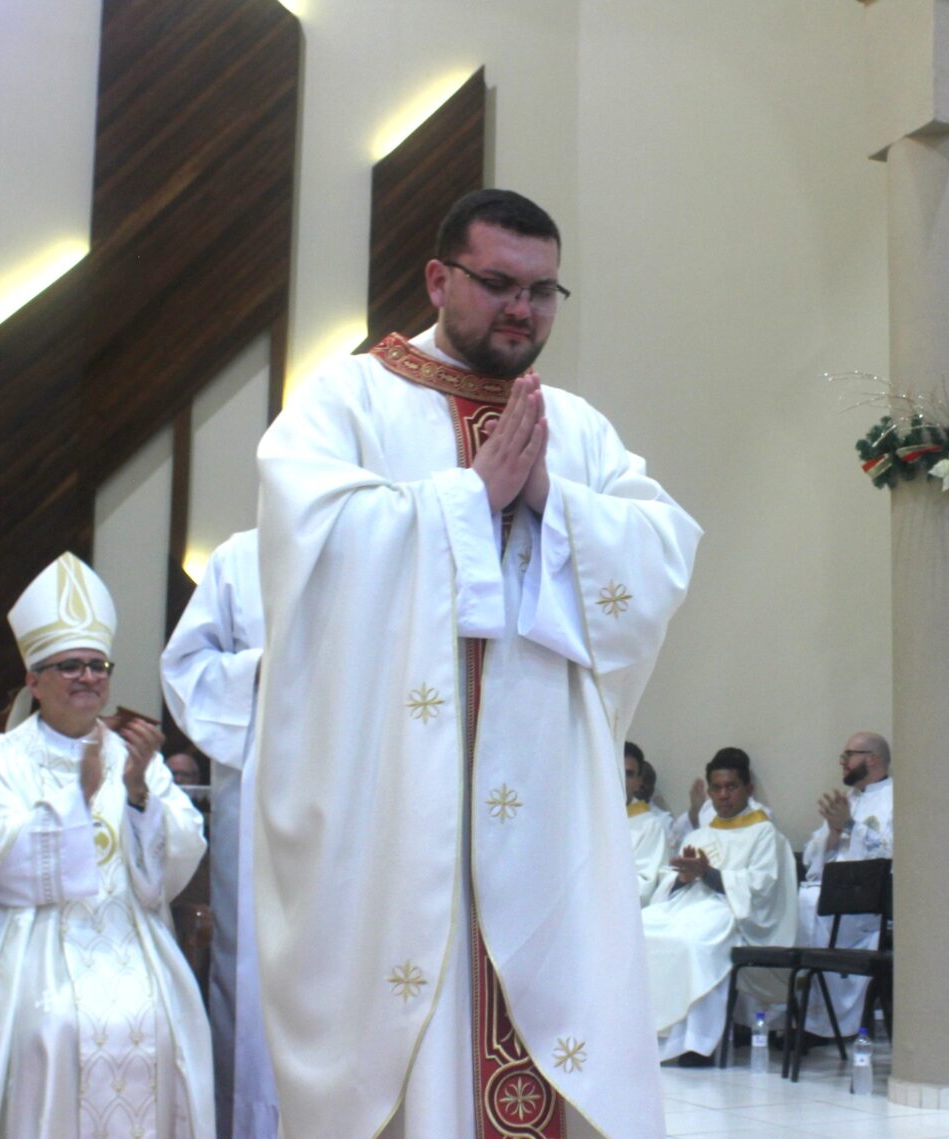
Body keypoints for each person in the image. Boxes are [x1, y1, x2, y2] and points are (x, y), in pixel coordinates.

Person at [252, 189, 702, 1138]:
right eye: (498, 283)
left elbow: (662, 552)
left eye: (542, 291)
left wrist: (551, 499)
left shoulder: (574, 427)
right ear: (438, 278)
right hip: (399, 808)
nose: (521, 309)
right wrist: (468, 499)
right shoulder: (349, 399)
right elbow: (311, 551)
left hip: (543, 804)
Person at [0, 552, 213, 1139]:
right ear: (33, 680)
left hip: (129, 931)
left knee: (162, 1022)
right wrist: (75, 803)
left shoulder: (133, 755)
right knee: (53, 1029)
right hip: (37, 937)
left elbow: (176, 860)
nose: (88, 677)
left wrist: (137, 797)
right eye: (70, 666)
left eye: (98, 665)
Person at [161, 528, 279, 1139]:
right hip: (260, 798)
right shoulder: (240, 557)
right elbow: (184, 671)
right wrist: (263, 670)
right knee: (255, 981)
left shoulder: (381, 543)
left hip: (360, 802)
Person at [641, 748, 798, 1065]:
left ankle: (696, 1044)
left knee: (692, 944)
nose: (723, 795)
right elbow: (671, 881)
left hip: (730, 914)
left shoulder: (765, 834)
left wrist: (709, 874)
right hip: (686, 907)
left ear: (748, 789)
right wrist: (684, 877)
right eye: (716, 788)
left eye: (731, 787)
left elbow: (760, 889)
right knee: (639, 929)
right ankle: (645, 1037)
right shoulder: (700, 835)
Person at [796, 731, 893, 1039]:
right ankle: (803, 1014)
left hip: (870, 907)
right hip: (833, 896)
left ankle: (822, 1022)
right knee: (800, 902)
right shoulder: (848, 800)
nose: (843, 762)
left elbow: (892, 854)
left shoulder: (896, 799)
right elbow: (813, 857)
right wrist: (835, 832)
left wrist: (850, 825)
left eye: (848, 755)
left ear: (872, 759)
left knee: (812, 906)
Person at [625, 743, 670, 904]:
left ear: (639, 782)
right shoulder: (584, 818)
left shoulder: (650, 826)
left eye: (629, 774)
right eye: (615, 770)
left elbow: (645, 887)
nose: (621, 780)